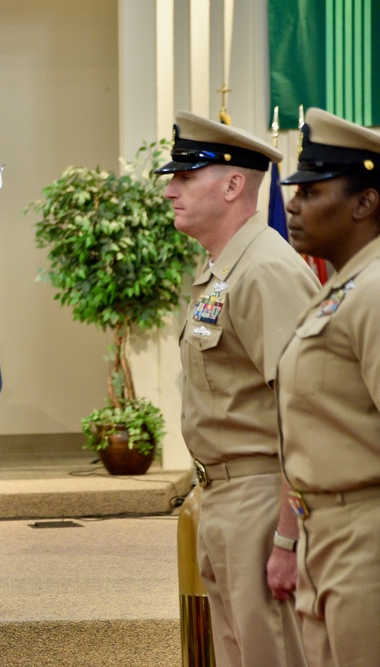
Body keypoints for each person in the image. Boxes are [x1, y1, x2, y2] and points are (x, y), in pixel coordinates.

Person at [159, 111, 318, 667]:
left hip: (261, 498)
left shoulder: (265, 271)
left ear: (232, 184)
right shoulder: (223, 271)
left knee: (271, 653)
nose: (169, 189)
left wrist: (285, 534)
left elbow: (304, 412)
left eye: (184, 177)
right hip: (224, 495)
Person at [277, 107, 380, 667]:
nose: (292, 203)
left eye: (312, 191)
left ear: (365, 202)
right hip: (326, 532)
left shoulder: (375, 291)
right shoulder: (341, 287)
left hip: (367, 538)